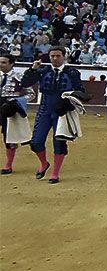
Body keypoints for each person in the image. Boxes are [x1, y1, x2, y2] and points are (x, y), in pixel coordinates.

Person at [20, 45, 86, 184]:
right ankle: (44, 163)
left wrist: (69, 104)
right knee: (36, 142)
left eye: (58, 56)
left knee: (59, 142)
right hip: (44, 109)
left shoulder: (72, 72)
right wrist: (33, 70)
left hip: (62, 112)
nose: (55, 59)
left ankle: (55, 173)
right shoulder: (42, 71)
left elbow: (81, 92)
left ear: (64, 57)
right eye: (52, 56)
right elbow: (25, 83)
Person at [1, 53, 31, 174]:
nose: (1, 65)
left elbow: (31, 94)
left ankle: (8, 165)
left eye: (3, 62)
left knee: (9, 137)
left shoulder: (19, 76)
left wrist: (17, 102)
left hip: (10, 107)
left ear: (11, 63)